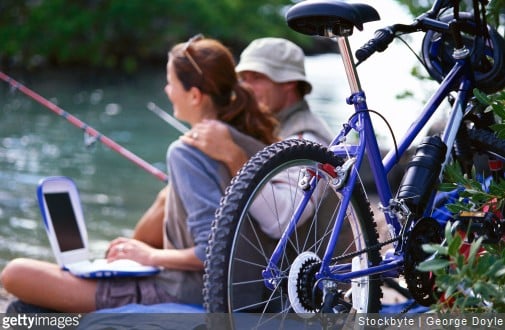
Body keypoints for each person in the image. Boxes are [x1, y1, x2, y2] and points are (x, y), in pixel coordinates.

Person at [0, 35, 277, 312]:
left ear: (194, 95)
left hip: (193, 292)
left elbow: (211, 253)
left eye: (170, 82)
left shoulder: (186, 152)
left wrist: (149, 256)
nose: (167, 90)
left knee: (16, 273)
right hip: (248, 291)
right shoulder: (250, 140)